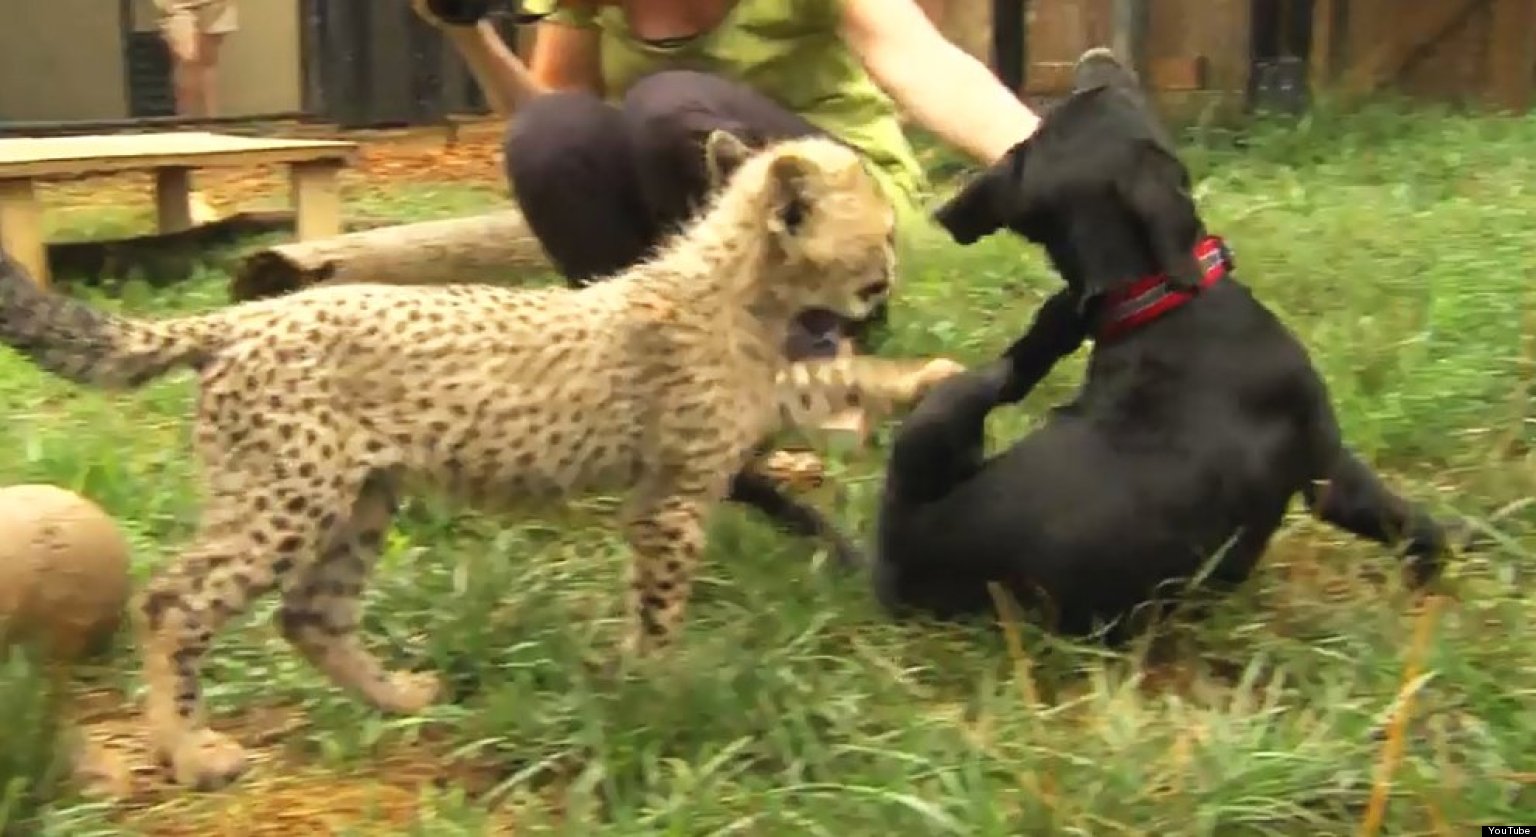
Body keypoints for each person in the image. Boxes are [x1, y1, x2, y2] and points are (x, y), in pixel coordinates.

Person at [410, 0, 1043, 363]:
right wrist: (467, 32)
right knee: (550, 133)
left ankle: (811, 345)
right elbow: (556, 134)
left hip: (844, 220)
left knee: (669, 107)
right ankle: (650, 357)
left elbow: (924, 63)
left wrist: (1054, 154)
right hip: (697, 230)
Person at [157, 0, 238, 119]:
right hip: (177, 6)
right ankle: (185, 119)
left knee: (208, 62)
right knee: (186, 58)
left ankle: (211, 120)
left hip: (215, 5)